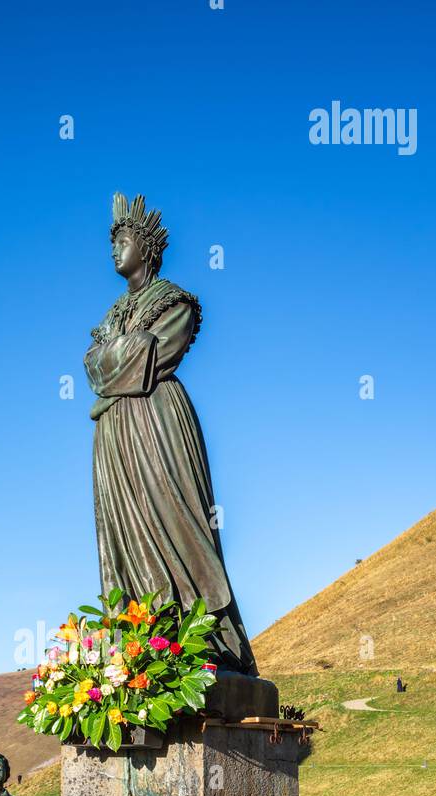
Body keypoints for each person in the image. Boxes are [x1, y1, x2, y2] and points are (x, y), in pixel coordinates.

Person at [84, 192, 257, 674]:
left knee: (176, 517)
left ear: (145, 246)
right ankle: (142, 637)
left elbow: (153, 355)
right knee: (124, 528)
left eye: (122, 241)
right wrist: (122, 351)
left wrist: (116, 355)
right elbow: (93, 368)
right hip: (115, 433)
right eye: (112, 242)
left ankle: (200, 633)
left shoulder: (174, 302)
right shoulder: (112, 316)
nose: (114, 250)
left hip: (157, 423)